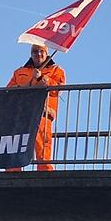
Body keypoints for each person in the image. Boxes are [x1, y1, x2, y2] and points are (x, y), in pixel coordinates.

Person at [6, 44, 66, 172]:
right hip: (22, 113)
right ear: (31, 54)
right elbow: (8, 91)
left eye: (41, 51)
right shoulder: (20, 71)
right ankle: (13, 172)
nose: (38, 54)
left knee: (43, 147)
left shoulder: (56, 70)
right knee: (16, 143)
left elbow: (58, 89)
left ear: (46, 53)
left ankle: (45, 174)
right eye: (35, 52)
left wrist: (41, 78)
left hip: (43, 114)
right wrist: (23, 88)